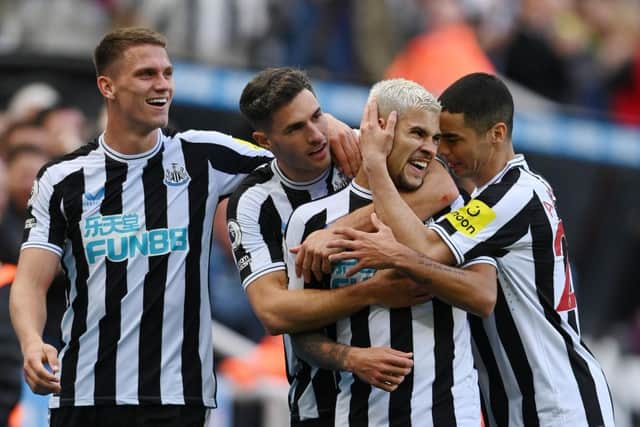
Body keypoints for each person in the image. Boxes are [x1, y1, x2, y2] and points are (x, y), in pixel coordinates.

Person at [7, 28, 357, 427]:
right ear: (107, 86)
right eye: (146, 75)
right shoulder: (62, 178)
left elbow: (295, 153)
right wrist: (33, 342)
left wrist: (324, 121)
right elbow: (30, 282)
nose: (162, 85)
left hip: (177, 397)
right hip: (84, 394)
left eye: (167, 73)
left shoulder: (202, 155)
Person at [326, 73, 615, 426]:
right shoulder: (491, 199)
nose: (442, 152)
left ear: (496, 134)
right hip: (514, 409)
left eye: (453, 139)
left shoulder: (513, 195)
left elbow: (427, 249)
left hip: (557, 405)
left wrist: (375, 167)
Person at [228, 68, 459, 425]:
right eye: (295, 128)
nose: (316, 135)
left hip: (403, 400)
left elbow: (441, 187)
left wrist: (335, 232)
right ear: (265, 141)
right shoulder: (254, 202)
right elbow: (275, 312)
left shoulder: (360, 150)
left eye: (318, 116)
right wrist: (372, 292)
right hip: (316, 399)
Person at [284, 78, 498, 426]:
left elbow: (484, 295)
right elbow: (301, 334)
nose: (430, 148)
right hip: (359, 416)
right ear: (381, 129)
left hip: (448, 415)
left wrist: (398, 258)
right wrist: (351, 357)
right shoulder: (312, 222)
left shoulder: (465, 207)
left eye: (436, 138)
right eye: (417, 134)